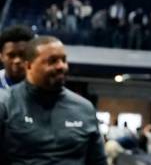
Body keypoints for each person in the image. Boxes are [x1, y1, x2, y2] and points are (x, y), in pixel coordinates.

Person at [0, 36, 107, 164]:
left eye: (64, 60)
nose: (61, 66)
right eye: (52, 61)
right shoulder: (5, 104)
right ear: (29, 66)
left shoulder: (84, 108)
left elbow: (98, 161)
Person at [0, 24, 34, 89]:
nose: (17, 61)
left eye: (22, 55)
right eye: (11, 55)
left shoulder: (43, 83)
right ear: (1, 56)